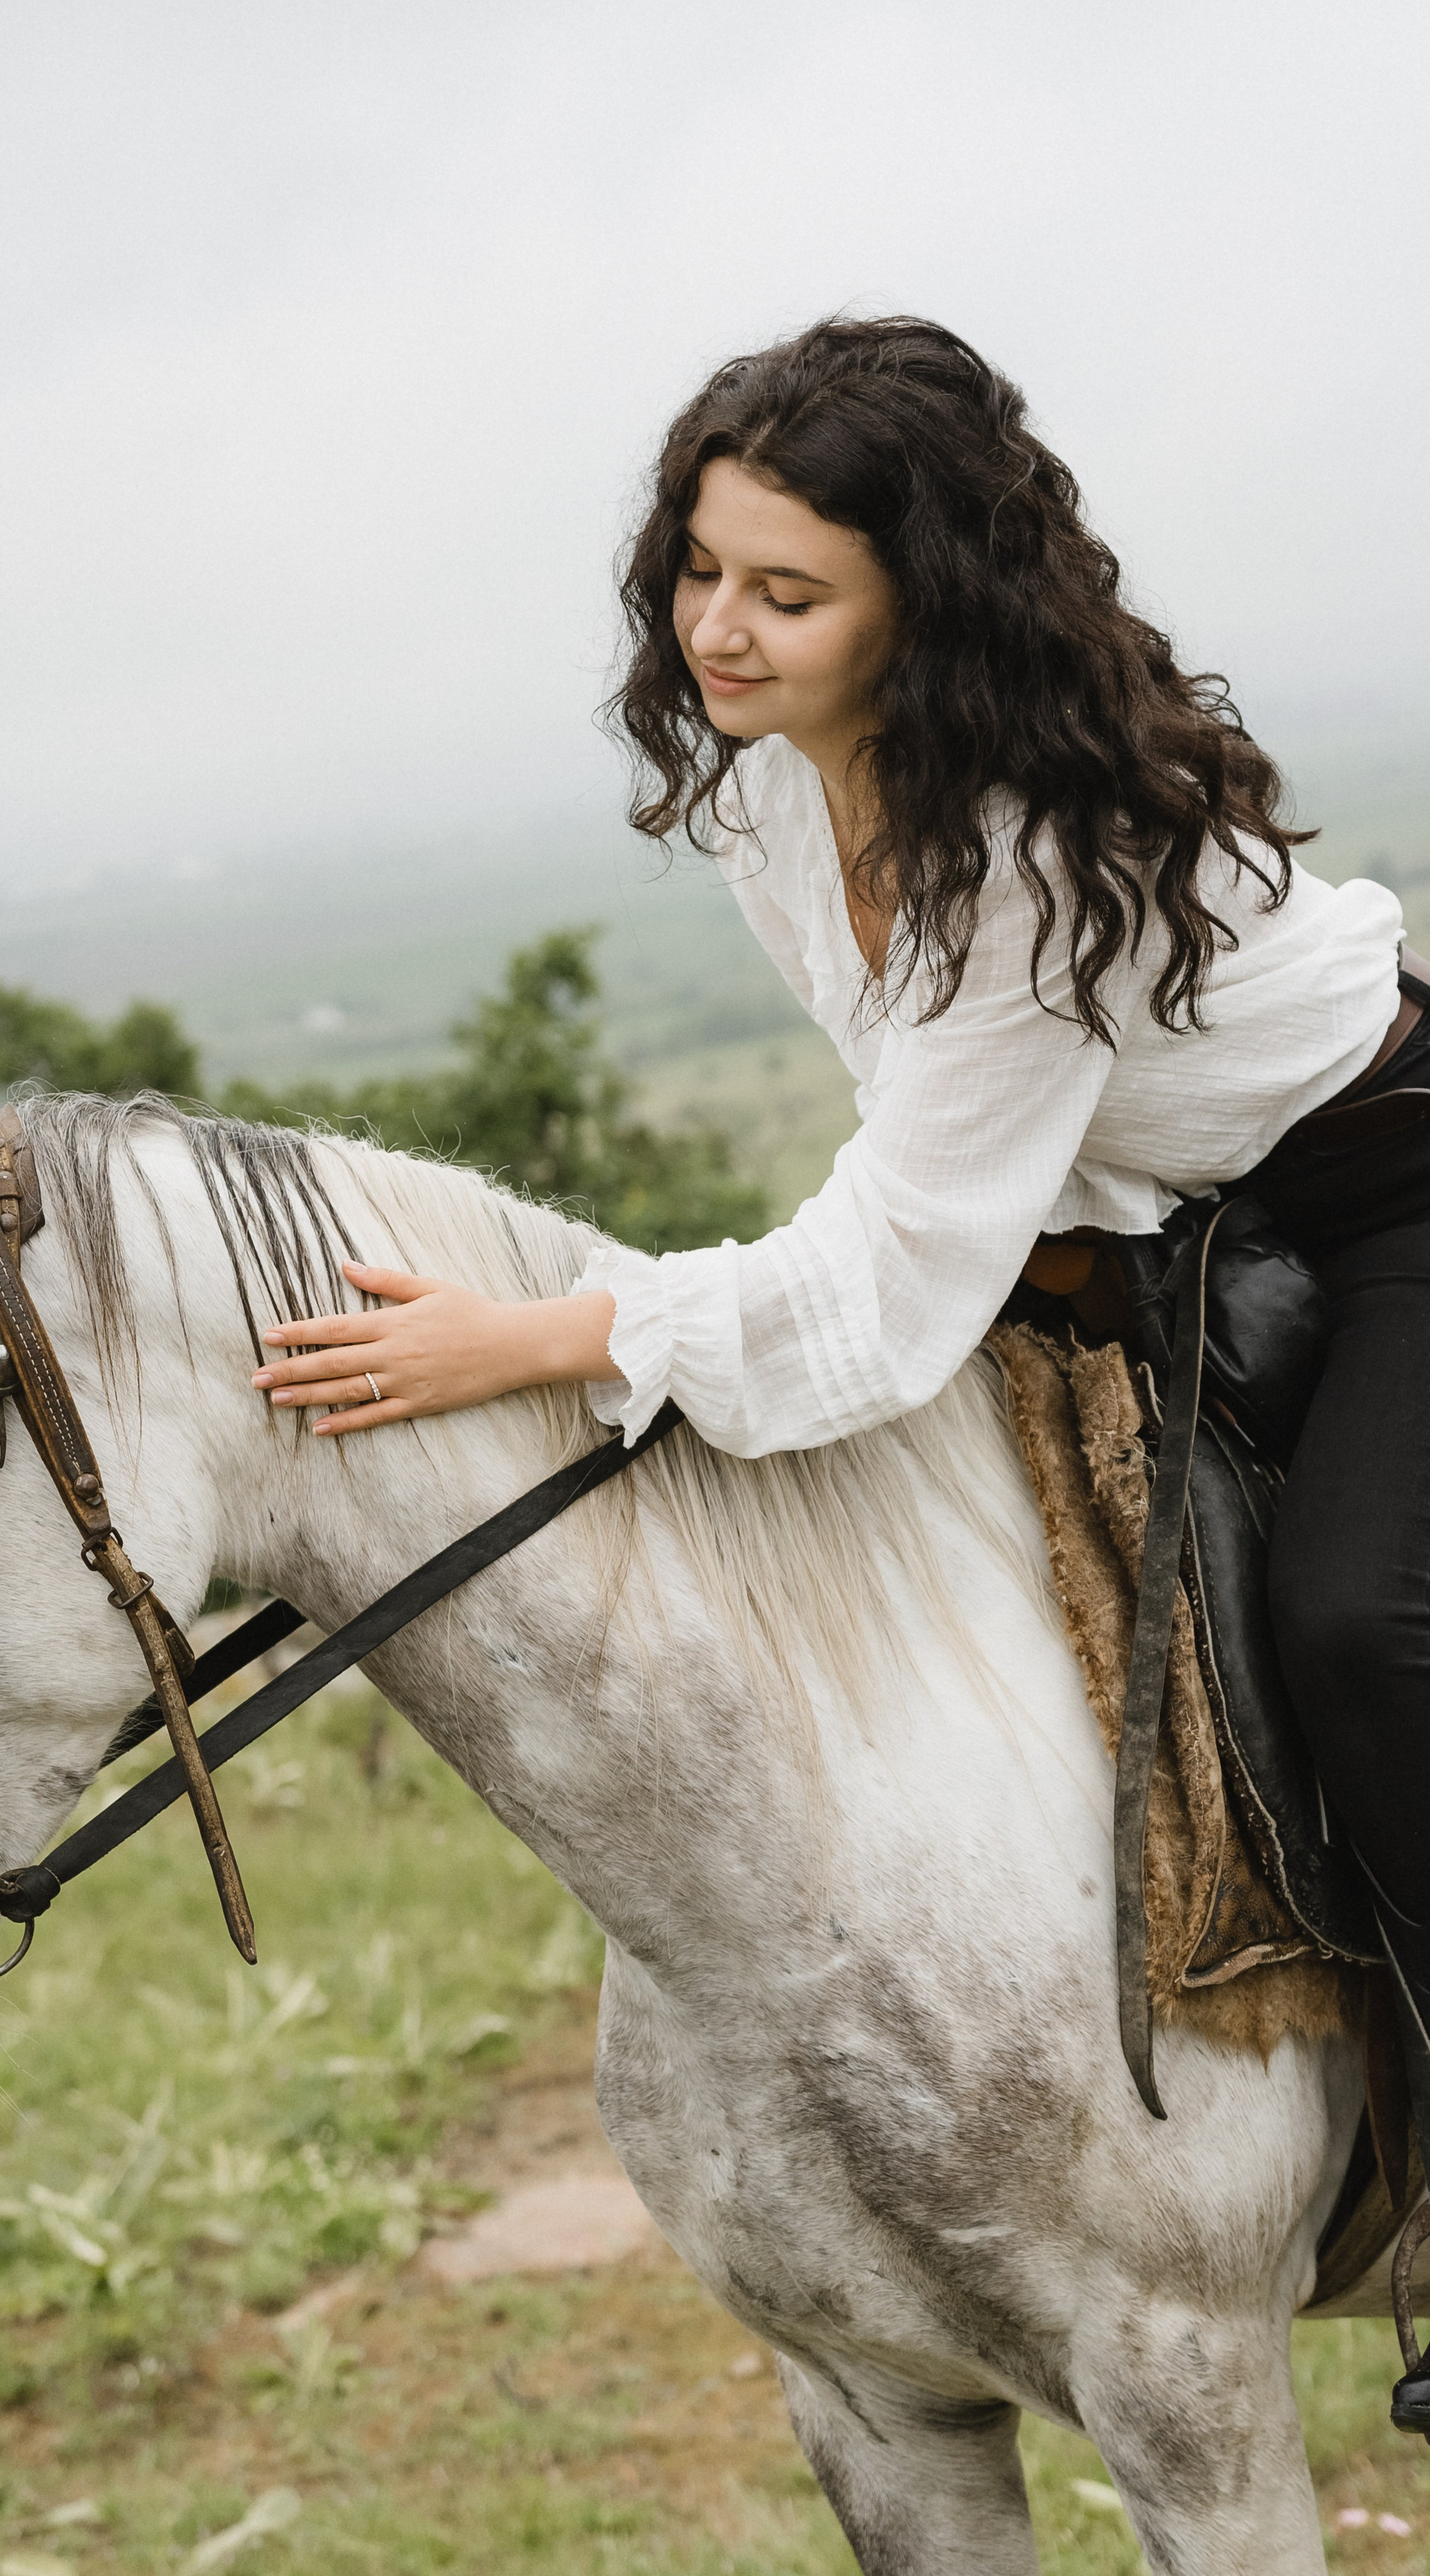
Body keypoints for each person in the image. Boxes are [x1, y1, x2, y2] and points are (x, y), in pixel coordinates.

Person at [250, 319, 1430, 2400]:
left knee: (1356, 1622)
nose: (718, 627)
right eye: (700, 569)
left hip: (1398, 1186)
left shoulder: (1030, 851)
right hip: (1158, 1221)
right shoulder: (772, 799)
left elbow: (886, 1273)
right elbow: (922, 1143)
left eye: (786, 593)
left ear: (927, 603)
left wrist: (529, 1333)